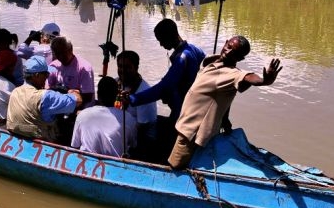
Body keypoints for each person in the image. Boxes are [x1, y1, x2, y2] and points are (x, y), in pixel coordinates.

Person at [168, 36, 282, 170]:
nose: (227, 52)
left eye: (234, 52)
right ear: (226, 42)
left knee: (174, 167)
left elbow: (249, 78)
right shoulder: (212, 60)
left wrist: (264, 81)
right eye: (228, 47)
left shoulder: (232, 74)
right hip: (184, 124)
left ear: (240, 59)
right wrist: (225, 118)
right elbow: (222, 95)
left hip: (191, 132)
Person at [126, 18, 205, 124]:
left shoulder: (182, 58)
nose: (161, 44)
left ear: (170, 36)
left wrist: (133, 98)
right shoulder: (195, 49)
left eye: (161, 40)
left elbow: (163, 87)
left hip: (184, 113)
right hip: (197, 107)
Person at [7, 56, 82, 142]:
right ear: (37, 75)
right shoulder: (45, 97)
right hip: (42, 142)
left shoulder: (15, 91)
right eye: (46, 74)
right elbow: (78, 101)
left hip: (18, 137)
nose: (47, 77)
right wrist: (72, 92)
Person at [71, 76, 137, 158]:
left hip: (87, 164)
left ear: (98, 94)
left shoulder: (82, 115)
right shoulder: (128, 118)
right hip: (116, 166)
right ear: (116, 95)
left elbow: (75, 146)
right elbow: (133, 145)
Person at [116, 50, 158, 161]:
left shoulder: (144, 92)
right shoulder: (116, 84)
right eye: (120, 66)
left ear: (136, 67)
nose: (122, 71)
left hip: (142, 139)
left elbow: (142, 127)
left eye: (127, 67)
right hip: (123, 132)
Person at [47, 36, 95, 105]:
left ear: (71, 49)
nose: (60, 57)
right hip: (60, 106)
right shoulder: (53, 66)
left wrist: (66, 91)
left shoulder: (84, 68)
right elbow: (46, 89)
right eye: (57, 53)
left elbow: (88, 96)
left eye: (63, 53)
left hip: (82, 108)